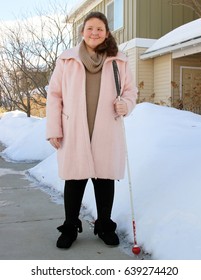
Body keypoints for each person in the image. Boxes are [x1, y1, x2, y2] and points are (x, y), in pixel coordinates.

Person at [46, 11, 138, 249]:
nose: (94, 33)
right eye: (90, 28)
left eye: (99, 29)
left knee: (104, 179)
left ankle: (105, 226)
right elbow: (54, 95)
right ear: (82, 32)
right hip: (74, 128)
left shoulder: (119, 60)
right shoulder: (67, 60)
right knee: (74, 181)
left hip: (106, 128)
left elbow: (130, 91)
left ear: (106, 33)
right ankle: (69, 227)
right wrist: (53, 128)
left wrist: (125, 104)